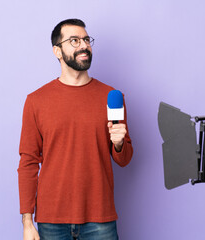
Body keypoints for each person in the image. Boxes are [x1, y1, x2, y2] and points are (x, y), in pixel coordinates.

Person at [18, 18, 133, 240]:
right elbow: (28, 162)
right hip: (51, 220)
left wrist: (119, 144)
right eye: (74, 40)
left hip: (100, 217)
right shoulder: (36, 101)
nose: (84, 45)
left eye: (86, 39)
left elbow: (124, 159)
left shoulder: (111, 97)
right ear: (57, 51)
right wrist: (27, 221)